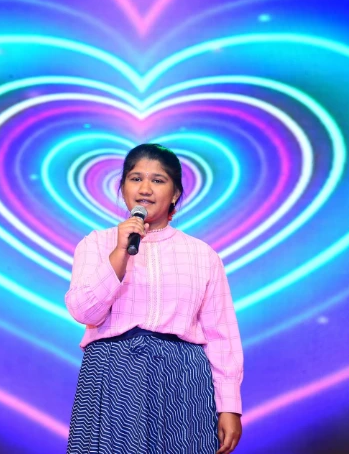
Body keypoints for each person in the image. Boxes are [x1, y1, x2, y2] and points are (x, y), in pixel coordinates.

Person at [65, 143, 243, 454]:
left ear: (175, 193)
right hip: (113, 371)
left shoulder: (202, 255)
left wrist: (229, 405)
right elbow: (85, 312)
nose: (145, 188)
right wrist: (120, 252)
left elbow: (221, 335)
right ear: (122, 187)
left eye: (158, 180)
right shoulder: (96, 244)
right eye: (135, 178)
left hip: (183, 376)